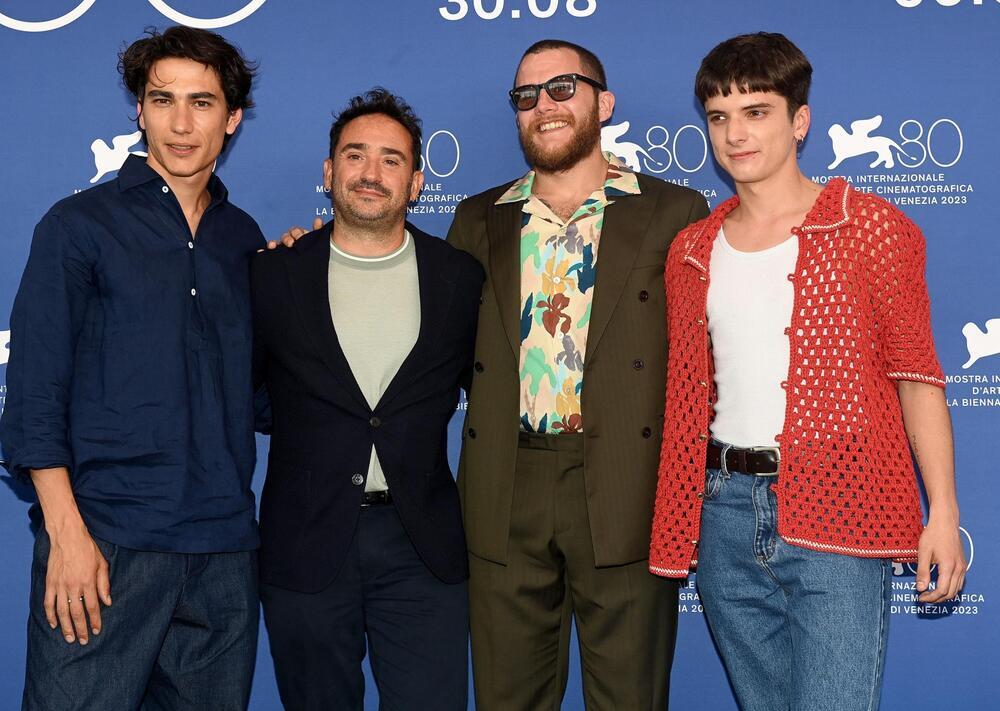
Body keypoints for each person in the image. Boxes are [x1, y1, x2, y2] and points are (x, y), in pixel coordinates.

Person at [648, 32, 966, 711]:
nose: (735, 133)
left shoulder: (874, 228)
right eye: (718, 116)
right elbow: (684, 397)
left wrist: (942, 511)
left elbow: (918, 377)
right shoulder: (690, 249)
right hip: (722, 515)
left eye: (755, 111)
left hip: (838, 509)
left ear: (799, 120)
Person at [0, 26, 262, 710]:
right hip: (106, 545)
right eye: (161, 99)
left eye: (202, 102)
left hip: (224, 555)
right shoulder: (77, 225)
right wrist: (67, 535)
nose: (180, 123)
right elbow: (32, 396)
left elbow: (262, 395)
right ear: (139, 112)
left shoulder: (245, 241)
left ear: (231, 118)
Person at [446, 40, 709, 709]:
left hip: (627, 482)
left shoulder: (675, 212)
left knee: (629, 695)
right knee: (506, 697)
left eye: (562, 88)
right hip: (506, 483)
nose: (544, 107)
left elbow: (706, 359)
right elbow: (430, 337)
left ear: (604, 102)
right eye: (526, 96)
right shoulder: (478, 218)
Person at [252, 88, 483, 710]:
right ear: (329, 172)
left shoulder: (460, 279)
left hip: (422, 546)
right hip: (305, 542)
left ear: (415, 181)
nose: (371, 173)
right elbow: (249, 395)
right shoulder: (272, 273)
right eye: (355, 156)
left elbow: (484, 392)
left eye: (391, 159)